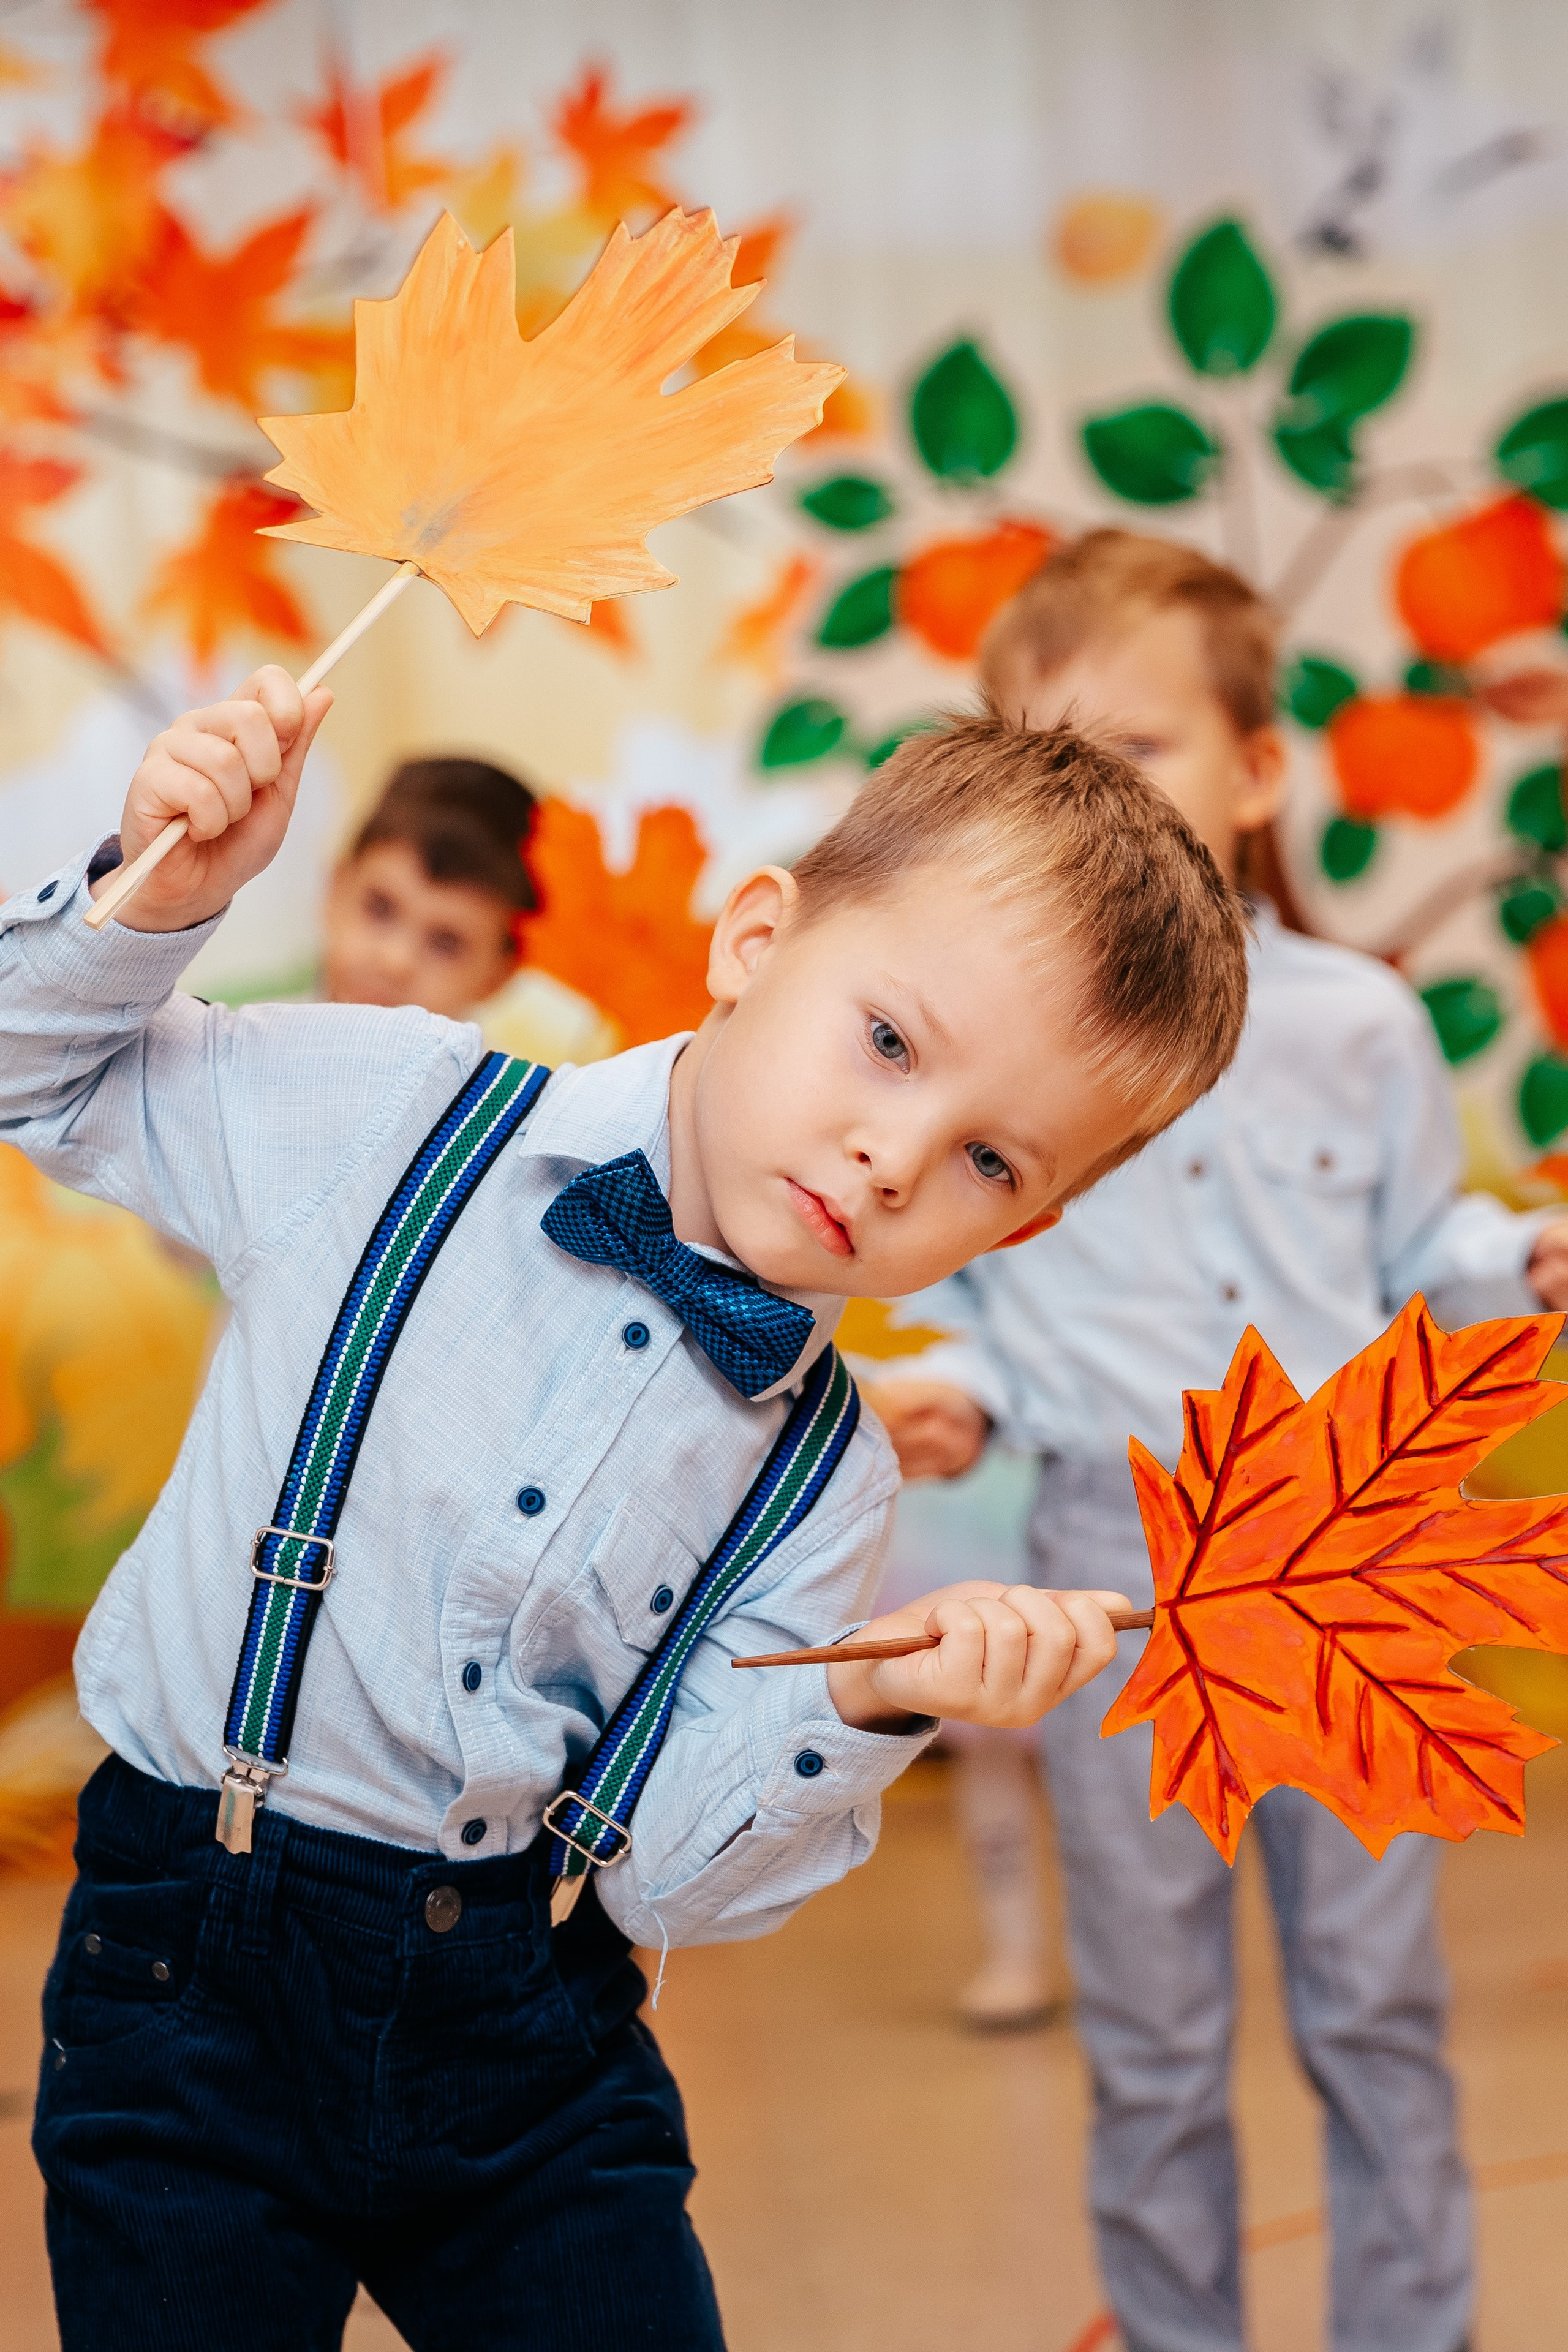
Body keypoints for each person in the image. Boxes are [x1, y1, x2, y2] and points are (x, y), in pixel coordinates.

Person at [1, 668, 1249, 2351]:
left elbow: (672, 1870)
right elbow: (35, 1080)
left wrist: (875, 1694)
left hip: (525, 2036)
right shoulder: (394, 1114)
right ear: (753, 942)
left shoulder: (830, 1474)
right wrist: (154, 901)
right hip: (187, 1980)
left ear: (1019, 1231)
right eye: (888, 1042)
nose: (893, 1157)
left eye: (989, 1163)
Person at [869, 527, 1568, 2352]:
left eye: (1138, 753)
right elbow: (991, 1297)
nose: (1094, 803)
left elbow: (1427, 1258)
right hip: (1111, 1563)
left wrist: (1515, 1259)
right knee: (1155, 2028)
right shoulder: (1005, 1045)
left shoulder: (1360, 1022)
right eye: (1049, 764)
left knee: (1372, 2004)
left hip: (1349, 1552)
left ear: (1258, 772)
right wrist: (952, 1381)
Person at [322, 753, 538, 1019]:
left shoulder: (508, 1061)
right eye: (380, 909)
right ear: (336, 886)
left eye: (446, 944)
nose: (395, 961)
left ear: (498, 978)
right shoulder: (256, 1030)